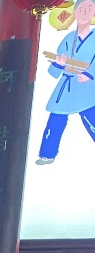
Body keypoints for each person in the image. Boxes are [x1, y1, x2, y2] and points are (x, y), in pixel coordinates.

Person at [38, 0, 95, 164]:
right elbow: (54, 72)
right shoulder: (68, 39)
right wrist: (59, 64)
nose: (85, 12)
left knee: (92, 119)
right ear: (74, 13)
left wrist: (90, 74)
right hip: (66, 86)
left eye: (90, 8)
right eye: (81, 9)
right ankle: (47, 154)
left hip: (87, 87)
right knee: (55, 121)